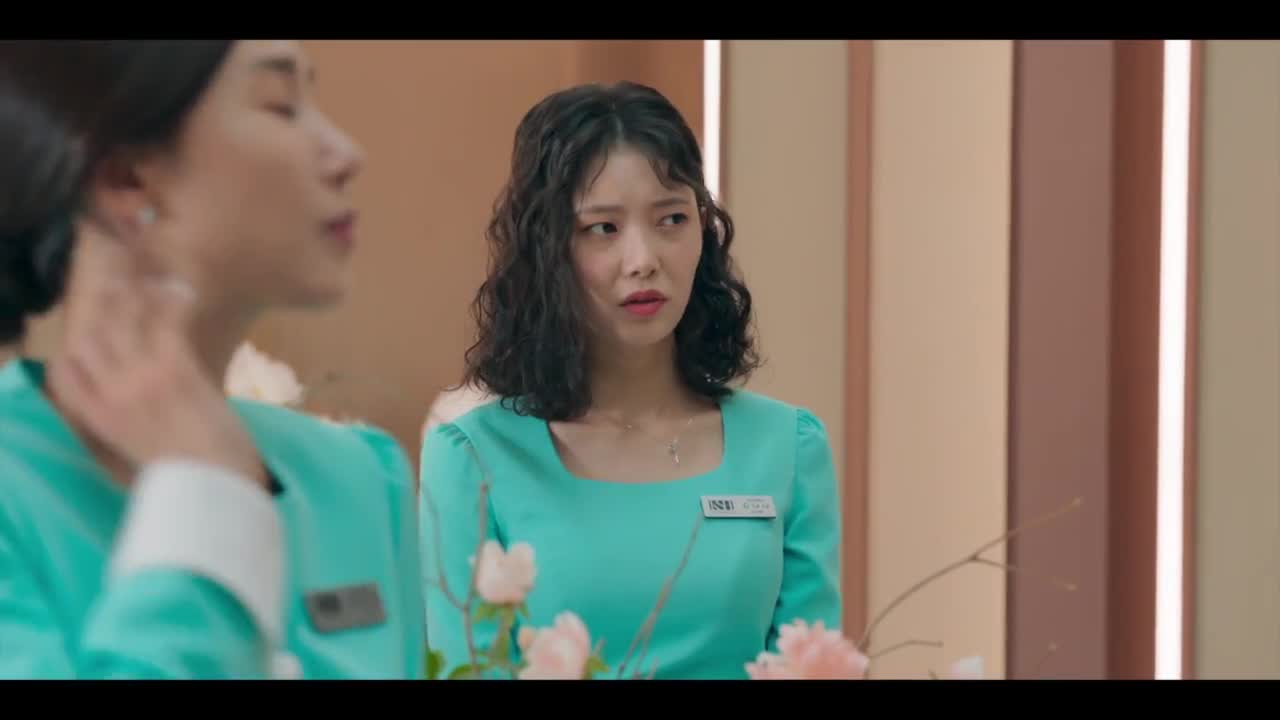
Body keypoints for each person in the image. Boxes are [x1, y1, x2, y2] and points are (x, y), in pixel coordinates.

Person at [0, 41, 423, 679]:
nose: (346, 153)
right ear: (125, 178)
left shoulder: (360, 477)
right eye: (281, 105)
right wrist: (209, 497)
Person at [418, 81, 842, 680]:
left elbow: (812, 664)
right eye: (603, 228)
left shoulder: (789, 447)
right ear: (547, 252)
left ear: (704, 232)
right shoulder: (473, 459)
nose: (643, 259)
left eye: (672, 219)